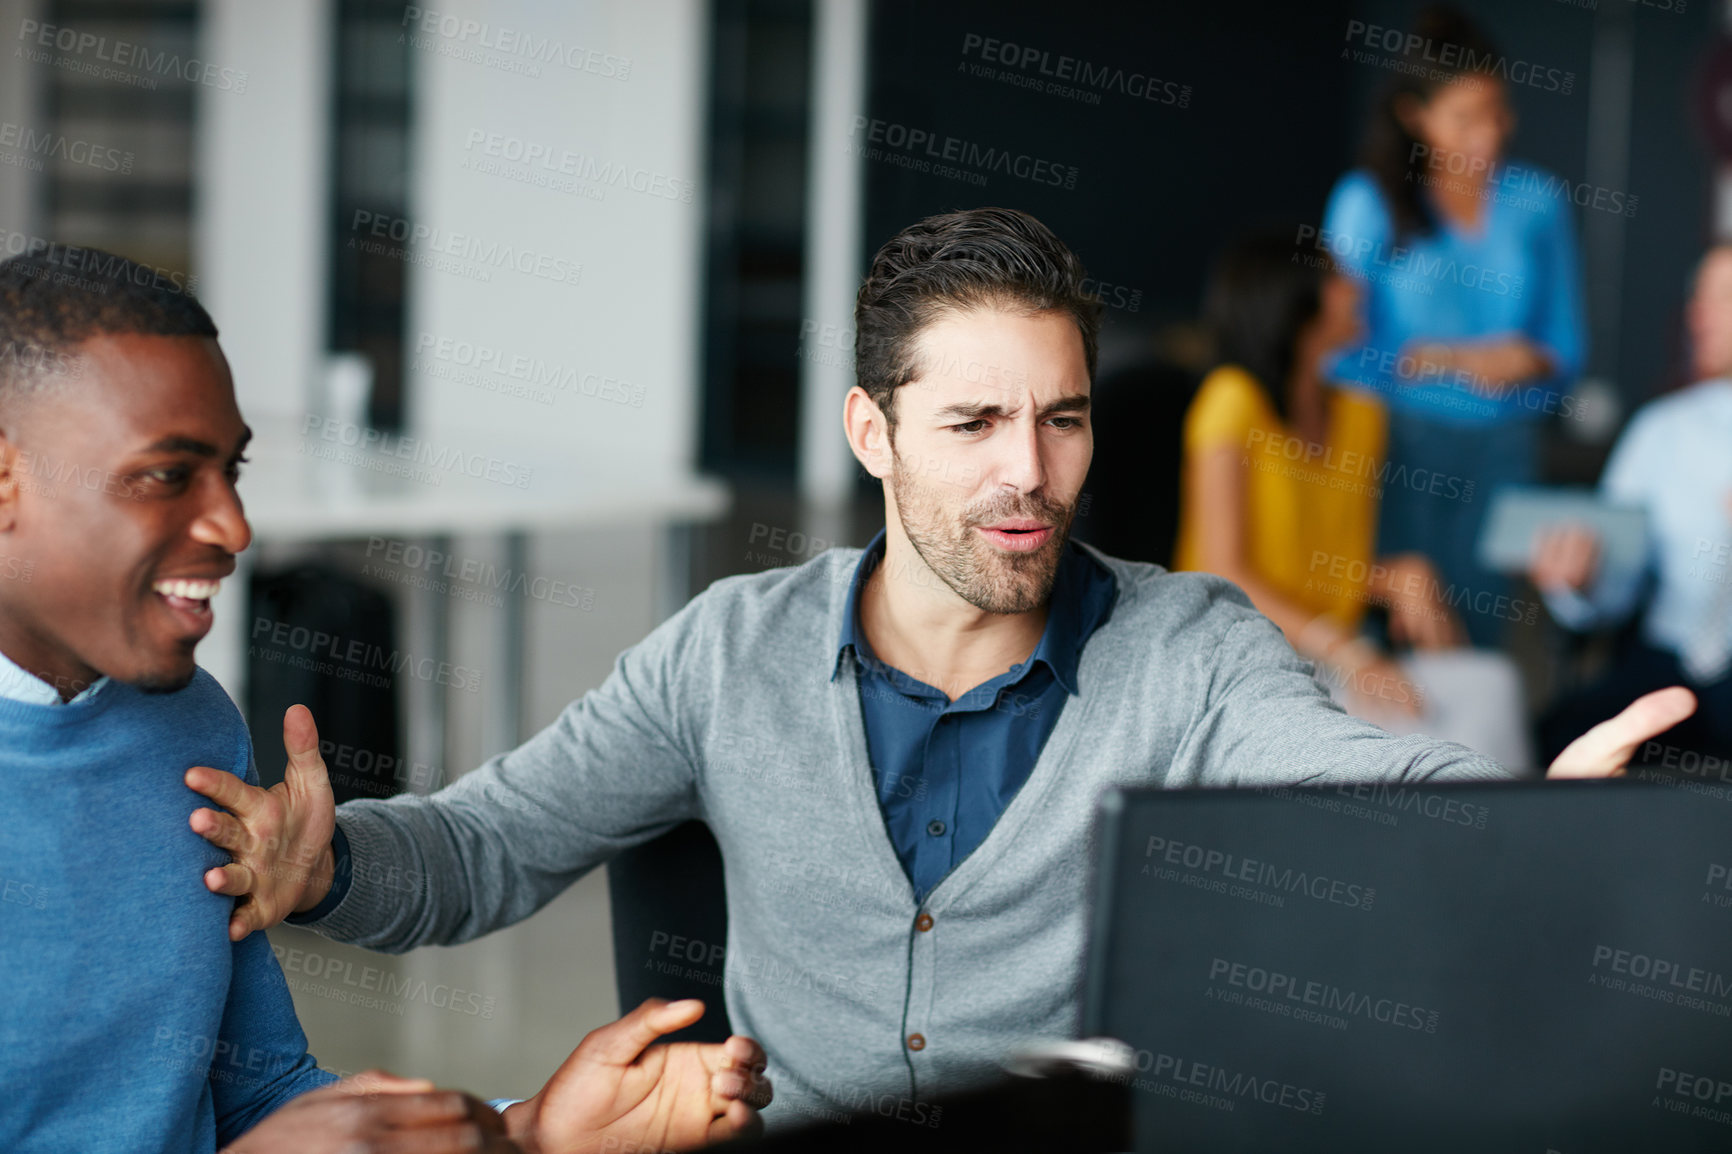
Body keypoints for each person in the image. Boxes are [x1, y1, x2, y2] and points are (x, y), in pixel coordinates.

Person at [190, 207, 1690, 1129]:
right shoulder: (730, 651)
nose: (1028, 476)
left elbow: (1375, 783)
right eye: (972, 424)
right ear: (872, 433)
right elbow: (488, 845)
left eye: (1065, 419)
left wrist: (1533, 818)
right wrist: (327, 867)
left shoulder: (1190, 648)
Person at [0, 249, 770, 1153]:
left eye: (232, 474)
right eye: (169, 475)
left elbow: (262, 1097)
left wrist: (528, 1131)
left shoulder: (189, 723)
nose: (235, 529)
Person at [1175, 230, 1531, 768]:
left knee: (1492, 685)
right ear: (1294, 300)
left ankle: (1502, 838)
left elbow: (1315, 559)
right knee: (1438, 734)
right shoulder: (1232, 403)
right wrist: (1350, 652)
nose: (1358, 287)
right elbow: (1226, 573)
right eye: (1338, 276)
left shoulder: (1361, 415)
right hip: (1244, 660)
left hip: (1332, 654)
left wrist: (1391, 578)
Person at [1319, 4, 1585, 647]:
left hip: (1505, 448)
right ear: (1416, 116)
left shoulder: (1538, 202)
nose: (1485, 138)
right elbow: (1333, 349)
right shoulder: (1368, 201)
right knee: (1392, 636)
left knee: (1480, 638)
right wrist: (1457, 360)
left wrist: (1529, 363)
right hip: (1392, 447)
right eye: (1464, 119)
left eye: (1496, 114)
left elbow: (1567, 347)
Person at [1530, 243, 1732, 767]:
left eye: (1724, 297)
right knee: (1567, 735)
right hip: (1670, 659)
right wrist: (1584, 580)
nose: (1698, 315)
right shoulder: (1662, 431)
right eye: (1698, 298)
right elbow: (1617, 584)